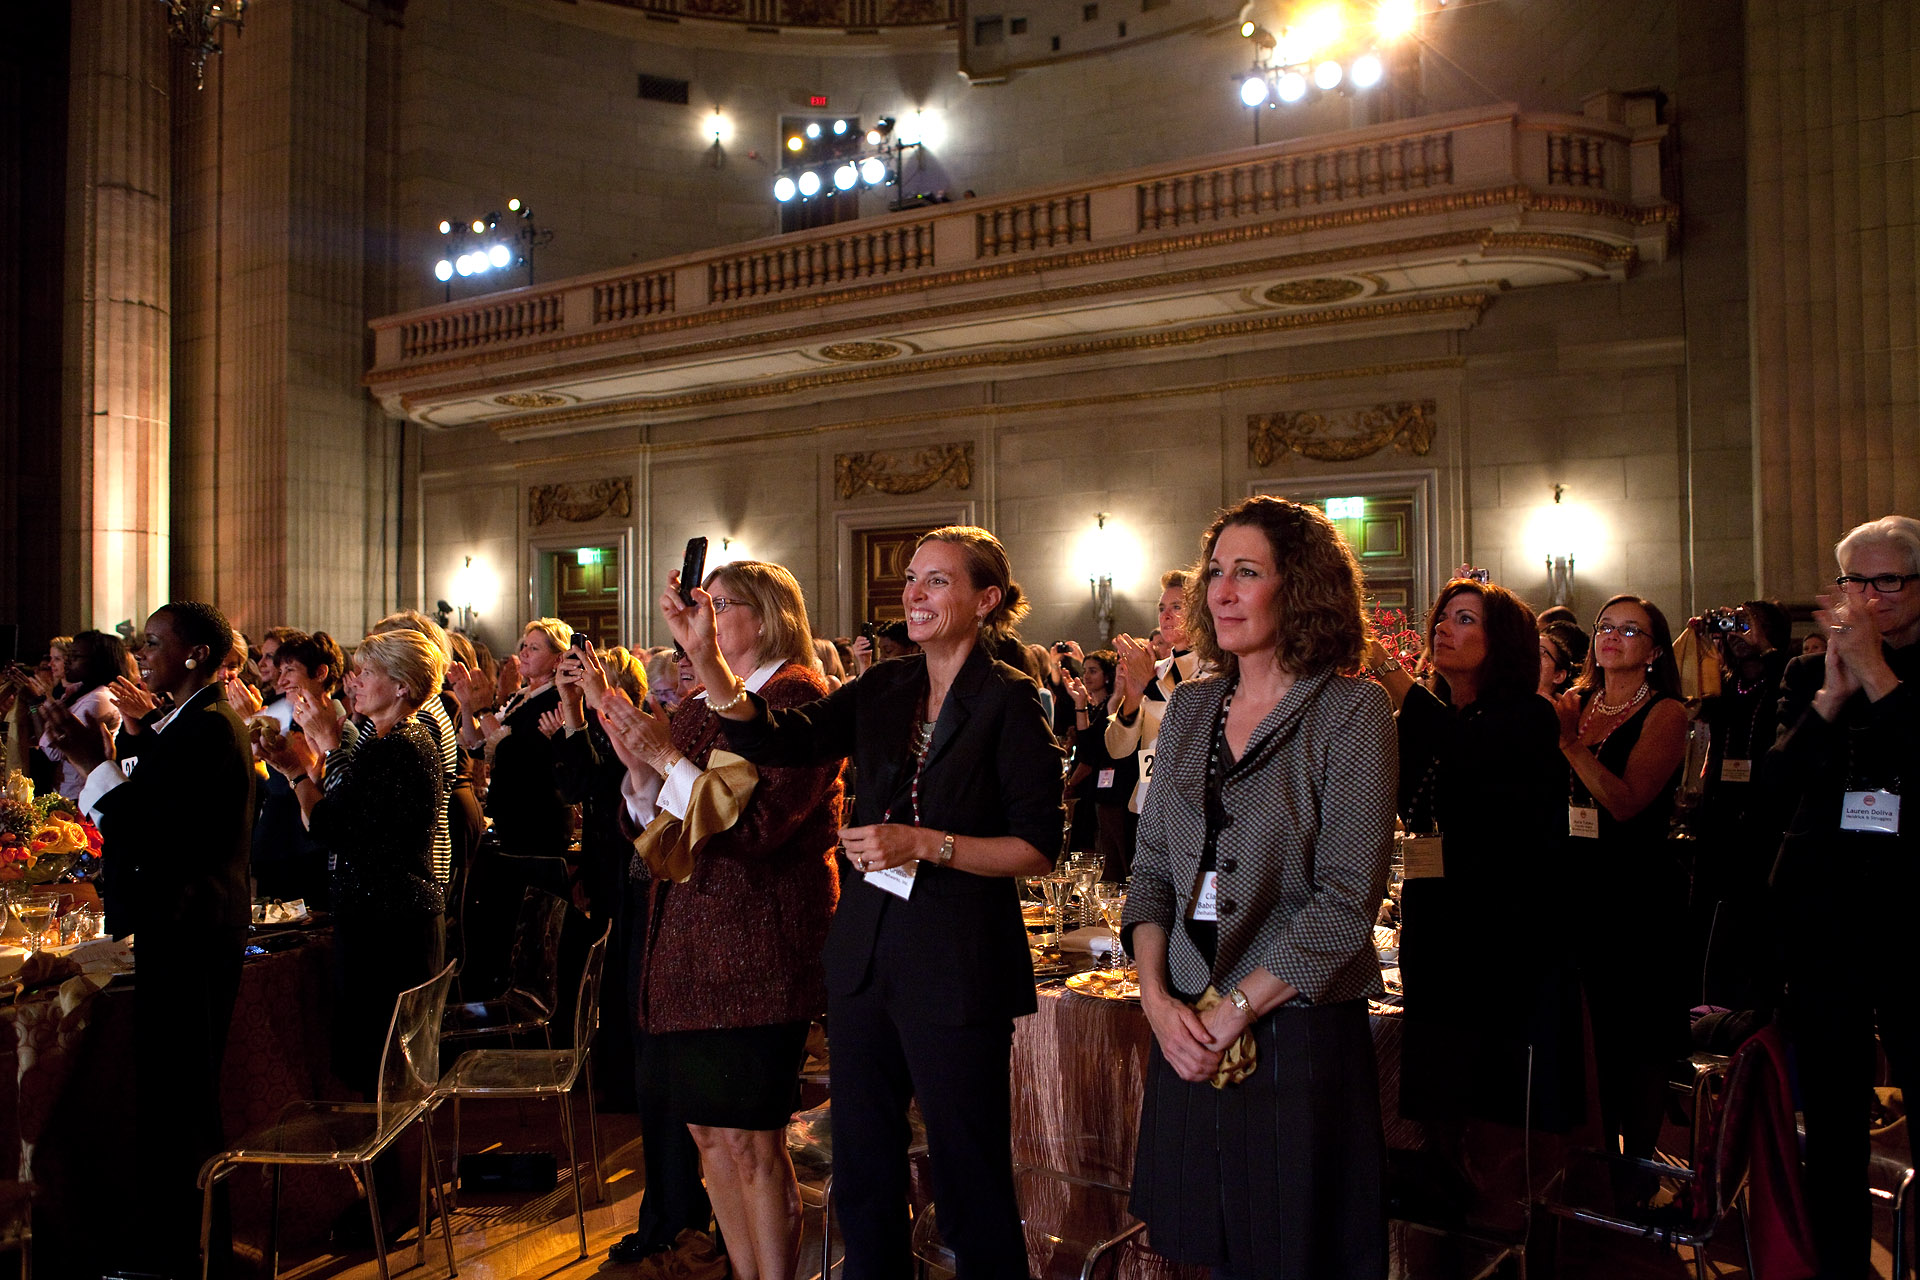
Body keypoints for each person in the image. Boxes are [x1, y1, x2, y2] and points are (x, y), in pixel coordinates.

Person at [663, 527, 1061, 1280]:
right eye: (911, 578)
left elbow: (1038, 845)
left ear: (987, 600)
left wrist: (926, 843)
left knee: (969, 1177)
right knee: (867, 1178)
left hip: (956, 967)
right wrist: (707, 658)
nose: (913, 592)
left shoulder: (1009, 700)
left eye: (937, 580)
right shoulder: (886, 686)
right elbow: (779, 740)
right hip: (867, 959)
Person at [1123, 497, 1395, 1280]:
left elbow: (1347, 901)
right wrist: (1156, 1000)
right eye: (1216, 572)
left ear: (1300, 588)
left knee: (1290, 1255)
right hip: (1182, 1028)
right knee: (1200, 1249)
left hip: (1295, 1035)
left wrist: (1234, 1009)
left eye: (1249, 572)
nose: (1223, 592)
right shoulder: (1192, 706)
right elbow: (1149, 873)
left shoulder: (1352, 710)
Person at [600, 561, 843, 1280]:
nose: (702, 618)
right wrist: (640, 772)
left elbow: (759, 824)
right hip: (691, 948)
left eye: (719, 605)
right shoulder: (707, 700)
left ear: (766, 618)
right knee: (709, 1134)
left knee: (751, 1143)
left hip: (759, 947)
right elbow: (671, 830)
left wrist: (664, 756)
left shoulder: (796, 695)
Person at [49, 601, 256, 1278]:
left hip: (191, 930)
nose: (142, 652)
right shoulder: (191, 722)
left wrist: (93, 762)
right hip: (186, 927)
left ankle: (184, 1253)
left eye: (156, 641)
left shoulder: (211, 729)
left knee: (181, 1099)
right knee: (172, 1097)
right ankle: (185, 1245)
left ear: (196, 654)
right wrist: (127, 743)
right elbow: (162, 790)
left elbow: (156, 831)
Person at [1367, 580, 1581, 1176]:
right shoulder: (1435, 717)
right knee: (1438, 1078)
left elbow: (1467, 749)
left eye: (1464, 620)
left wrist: (1388, 671)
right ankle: (1444, 1205)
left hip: (1503, 933)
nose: (1443, 628)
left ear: (1500, 641)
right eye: (1442, 618)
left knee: (1493, 1095)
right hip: (1435, 917)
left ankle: (1502, 1223)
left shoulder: (1528, 716)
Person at [1762, 515, 1920, 1280]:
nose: (1867, 597)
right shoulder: (1804, 672)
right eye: (1854, 581)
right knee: (1830, 1116)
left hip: (1912, 916)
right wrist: (1833, 694)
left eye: (1886, 580)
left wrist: (1881, 677)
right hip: (1825, 912)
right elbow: (1775, 788)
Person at [1552, 594, 1688, 1185]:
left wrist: (1571, 746)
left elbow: (1627, 802)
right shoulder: (1573, 703)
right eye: (1606, 627)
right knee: (1586, 1034)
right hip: (1573, 889)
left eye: (1630, 630)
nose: (1612, 637)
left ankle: (1637, 1172)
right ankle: (1591, 1163)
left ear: (1654, 650)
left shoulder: (1665, 713)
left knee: (1637, 1034)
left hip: (1636, 894)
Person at [452, 618, 571, 858]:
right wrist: (467, 705)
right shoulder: (520, 697)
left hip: (538, 815)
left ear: (558, 659)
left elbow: (513, 752)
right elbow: (479, 746)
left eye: (534, 648)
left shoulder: (556, 699)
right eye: (524, 646)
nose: (523, 653)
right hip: (512, 812)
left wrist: (484, 710)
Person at [1106, 570, 1203, 818]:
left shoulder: (1217, 669)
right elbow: (1118, 748)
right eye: (1161, 608)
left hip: (1193, 801)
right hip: (1149, 800)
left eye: (1177, 607)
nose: (1166, 615)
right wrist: (1133, 696)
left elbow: (1189, 715)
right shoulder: (1156, 670)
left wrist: (1147, 684)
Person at [38, 629, 132, 800]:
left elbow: (52, 751)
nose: (68, 661)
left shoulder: (98, 699)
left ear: (98, 662)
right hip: (65, 791)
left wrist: (38, 704)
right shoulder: (78, 692)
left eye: (75, 657)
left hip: (79, 795)